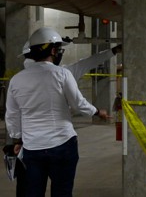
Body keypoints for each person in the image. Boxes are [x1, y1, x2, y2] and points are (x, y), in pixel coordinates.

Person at [5, 27, 109, 197]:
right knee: (62, 192)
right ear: (53, 51)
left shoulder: (16, 80)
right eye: (59, 50)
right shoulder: (62, 74)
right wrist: (97, 111)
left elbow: (12, 115)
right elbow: (78, 103)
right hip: (62, 144)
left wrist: (17, 139)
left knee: (33, 192)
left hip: (32, 147)